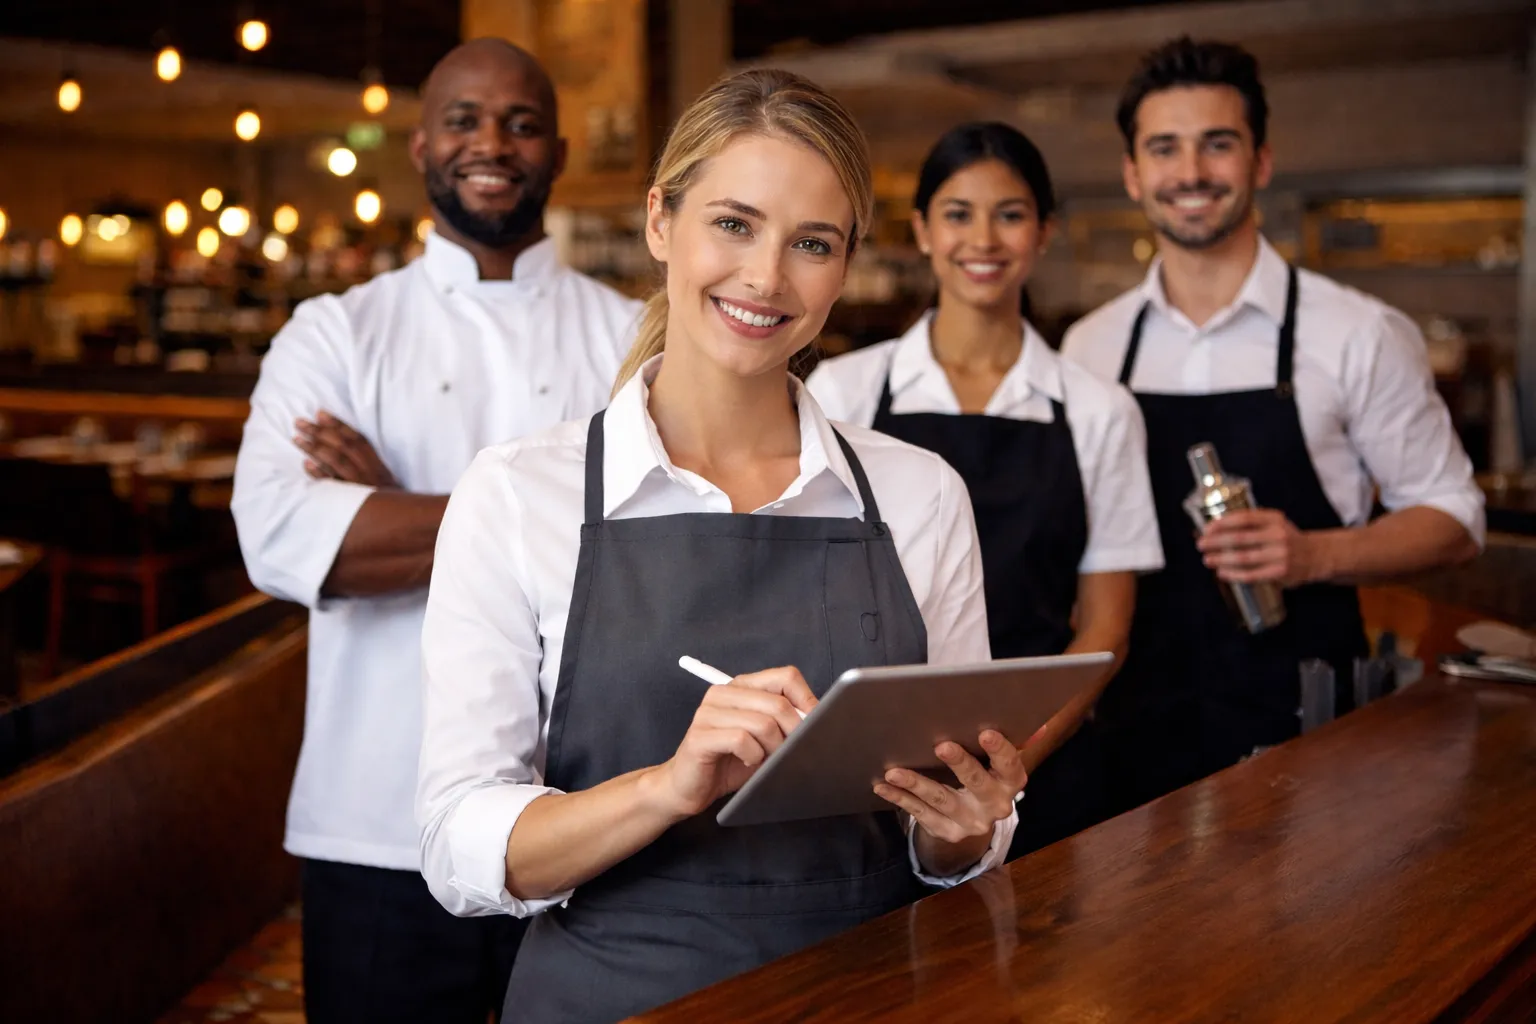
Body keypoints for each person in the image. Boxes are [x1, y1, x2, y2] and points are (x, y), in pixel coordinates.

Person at [417, 69, 1028, 1024]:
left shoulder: (921, 495)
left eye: (812, 244)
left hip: (873, 992)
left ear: (847, 265)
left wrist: (964, 831)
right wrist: (666, 789)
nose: (766, 277)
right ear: (662, 220)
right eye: (734, 224)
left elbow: (945, 842)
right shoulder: (514, 495)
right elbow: (459, 847)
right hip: (612, 996)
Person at [230, 39, 640, 1024]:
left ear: (560, 151)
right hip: (379, 819)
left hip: (594, 812)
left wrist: (398, 503)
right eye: (464, 119)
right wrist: (563, 522)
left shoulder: (634, 336)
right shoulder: (335, 332)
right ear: (420, 146)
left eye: (521, 122)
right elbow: (283, 538)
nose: (491, 142)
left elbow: (671, 544)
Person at [1061, 37, 1485, 816]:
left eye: (1217, 144)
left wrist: (1317, 553)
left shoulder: (1358, 333)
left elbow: (1456, 519)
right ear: (1133, 174)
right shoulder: (1089, 347)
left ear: (1260, 162)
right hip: (1127, 736)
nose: (1190, 172)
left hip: (1306, 734)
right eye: (1165, 148)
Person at [806, 122, 1162, 857]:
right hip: (870, 776)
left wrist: (1011, 767)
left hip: (1048, 771)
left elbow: (1104, 632)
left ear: (1044, 232)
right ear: (923, 232)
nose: (985, 239)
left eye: (1011, 214)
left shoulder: (1099, 410)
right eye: (959, 213)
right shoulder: (844, 390)